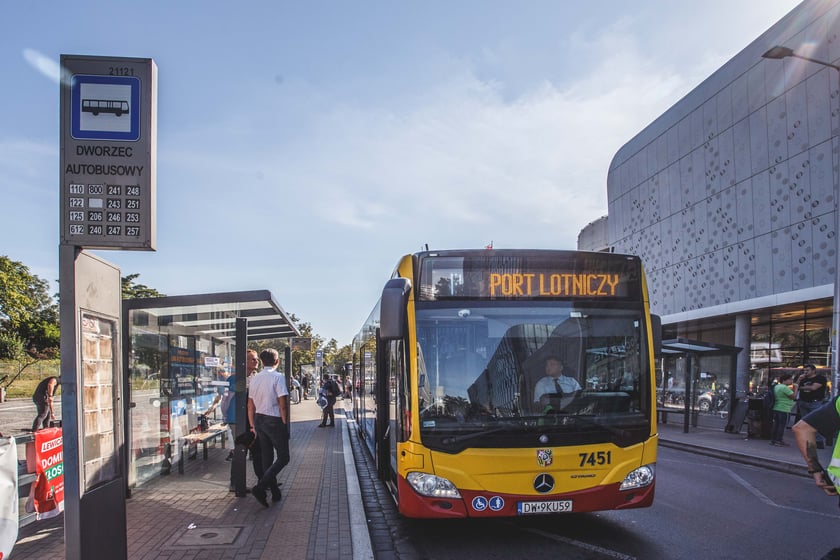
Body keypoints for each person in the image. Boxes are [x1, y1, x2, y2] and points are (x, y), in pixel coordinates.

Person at [247, 348, 289, 507]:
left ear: (262, 361)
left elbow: (250, 404)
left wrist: (252, 424)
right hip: (274, 419)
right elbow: (282, 404)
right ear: (276, 361)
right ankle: (261, 487)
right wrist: (284, 423)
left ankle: (275, 492)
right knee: (284, 457)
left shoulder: (255, 378)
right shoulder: (278, 377)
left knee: (267, 457)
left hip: (259, 419)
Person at [796, 364, 829, 449]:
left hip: (815, 402)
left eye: (807, 370)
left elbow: (813, 388)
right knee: (805, 422)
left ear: (813, 370)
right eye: (804, 370)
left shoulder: (820, 379)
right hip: (803, 402)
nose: (805, 372)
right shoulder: (803, 379)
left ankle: (819, 440)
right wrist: (799, 380)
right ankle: (809, 441)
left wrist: (801, 387)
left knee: (815, 422)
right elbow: (796, 387)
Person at [769, 372, 797, 447]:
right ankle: (779, 440)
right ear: (785, 380)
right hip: (784, 408)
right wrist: (796, 388)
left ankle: (773, 439)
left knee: (776, 424)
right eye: (790, 379)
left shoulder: (777, 387)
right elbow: (793, 396)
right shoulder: (784, 388)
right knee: (782, 425)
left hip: (777, 407)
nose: (791, 381)